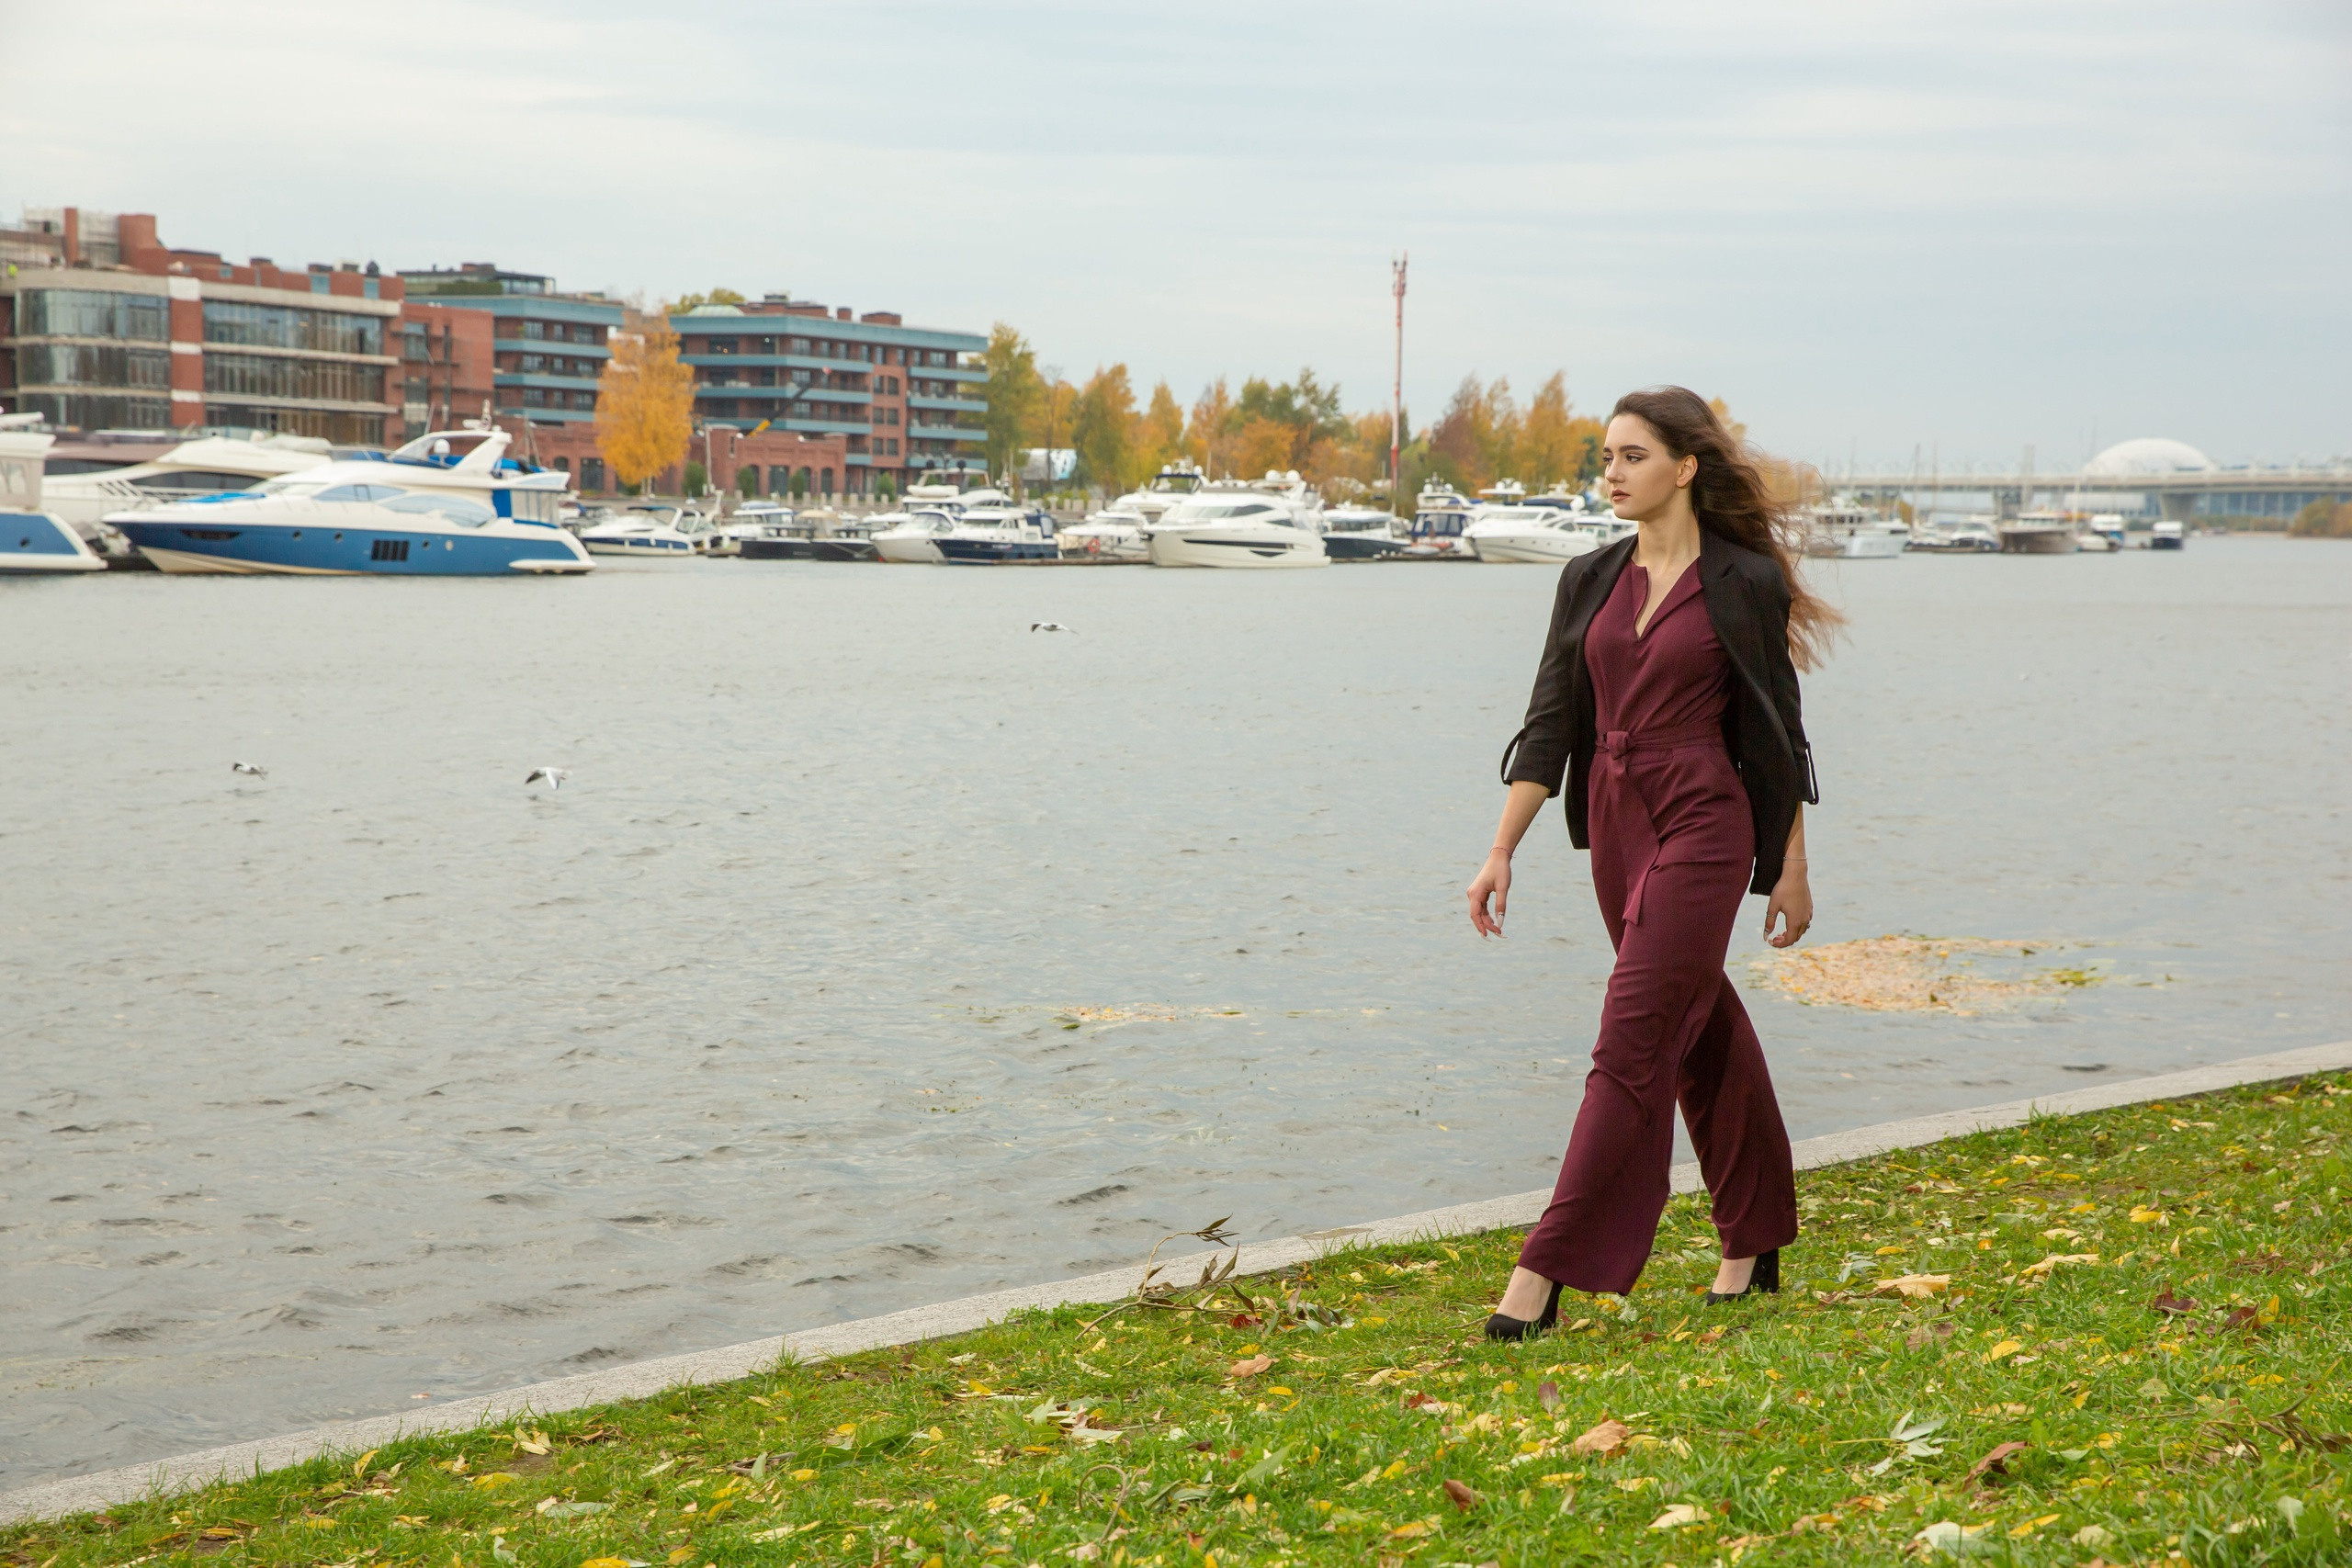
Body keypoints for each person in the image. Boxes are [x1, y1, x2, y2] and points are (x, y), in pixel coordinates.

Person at [1464, 386, 1838, 1337]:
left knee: (1630, 1041)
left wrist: (1789, 863)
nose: (1613, 474)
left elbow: (1775, 737)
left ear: (1685, 467)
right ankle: (1754, 1239)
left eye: (1633, 456)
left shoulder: (1743, 582)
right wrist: (1501, 847)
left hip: (1706, 818)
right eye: (1604, 457)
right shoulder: (1586, 579)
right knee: (1696, 1024)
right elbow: (1549, 723)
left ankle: (1543, 1273)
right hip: (1614, 819)